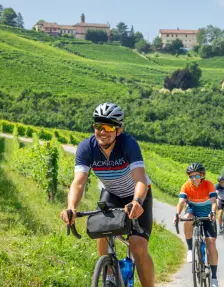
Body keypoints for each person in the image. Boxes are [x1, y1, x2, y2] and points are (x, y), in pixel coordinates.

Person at [60, 102, 154, 287]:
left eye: (108, 126)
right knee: (101, 230)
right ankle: (109, 273)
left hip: (137, 195)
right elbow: (78, 182)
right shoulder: (87, 148)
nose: (102, 131)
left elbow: (140, 180)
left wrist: (137, 201)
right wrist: (71, 207)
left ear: (118, 130)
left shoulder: (128, 144)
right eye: (98, 126)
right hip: (111, 194)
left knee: (137, 246)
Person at [173, 163, 219, 287]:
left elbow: (214, 201)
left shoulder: (208, 184)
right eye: (191, 176)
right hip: (193, 211)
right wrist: (177, 214)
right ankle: (190, 249)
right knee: (187, 218)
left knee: (211, 242)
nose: (194, 178)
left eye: (196, 175)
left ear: (202, 175)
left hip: (208, 214)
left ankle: (214, 278)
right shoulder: (186, 186)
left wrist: (213, 212)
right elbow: (181, 202)